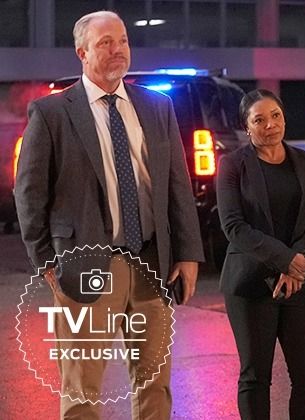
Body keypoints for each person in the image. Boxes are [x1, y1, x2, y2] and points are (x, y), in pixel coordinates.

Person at [14, 10, 204, 419]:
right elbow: (29, 193)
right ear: (82, 52)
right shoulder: (51, 113)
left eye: (123, 41)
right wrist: (46, 260)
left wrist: (188, 252)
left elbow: (177, 184)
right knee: (82, 389)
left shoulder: (157, 106)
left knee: (155, 383)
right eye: (105, 42)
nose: (118, 49)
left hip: (151, 261)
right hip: (84, 265)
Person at [216, 89, 305, 420]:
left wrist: (297, 261)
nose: (270, 125)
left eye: (276, 115)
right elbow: (234, 226)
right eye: (259, 120)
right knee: (255, 378)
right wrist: (286, 260)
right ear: (247, 127)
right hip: (251, 284)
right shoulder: (232, 165)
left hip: (301, 282)